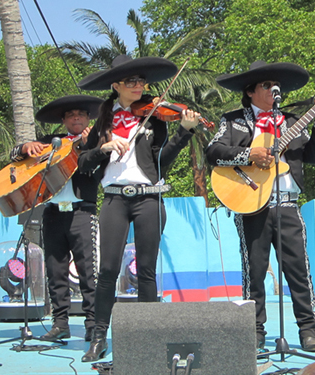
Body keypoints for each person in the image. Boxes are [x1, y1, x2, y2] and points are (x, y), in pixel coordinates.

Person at [76, 55, 201, 362]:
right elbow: (82, 164)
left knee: (146, 272)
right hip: (114, 199)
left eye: (141, 81)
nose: (138, 86)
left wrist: (185, 130)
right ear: (116, 85)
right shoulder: (104, 121)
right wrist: (102, 148)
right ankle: (98, 337)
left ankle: (150, 337)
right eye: (131, 82)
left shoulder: (155, 117)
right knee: (107, 271)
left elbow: (163, 162)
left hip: (148, 197)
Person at [206, 61, 315, 353]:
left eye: (276, 86)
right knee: (255, 271)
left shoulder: (291, 120)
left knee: (299, 270)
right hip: (251, 204)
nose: (274, 89)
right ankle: (255, 330)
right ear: (250, 92)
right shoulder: (233, 120)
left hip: (287, 203)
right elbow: (213, 152)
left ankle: (308, 329)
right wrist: (249, 154)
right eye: (266, 85)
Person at [10, 95, 104, 342]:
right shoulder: (49, 143)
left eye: (81, 114)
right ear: (63, 120)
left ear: (87, 118)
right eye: (71, 115)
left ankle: (93, 325)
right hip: (51, 213)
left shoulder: (96, 141)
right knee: (55, 270)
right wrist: (24, 148)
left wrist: (88, 146)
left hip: (82, 212)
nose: (76, 118)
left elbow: (97, 166)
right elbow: (13, 156)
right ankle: (60, 324)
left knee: (88, 272)